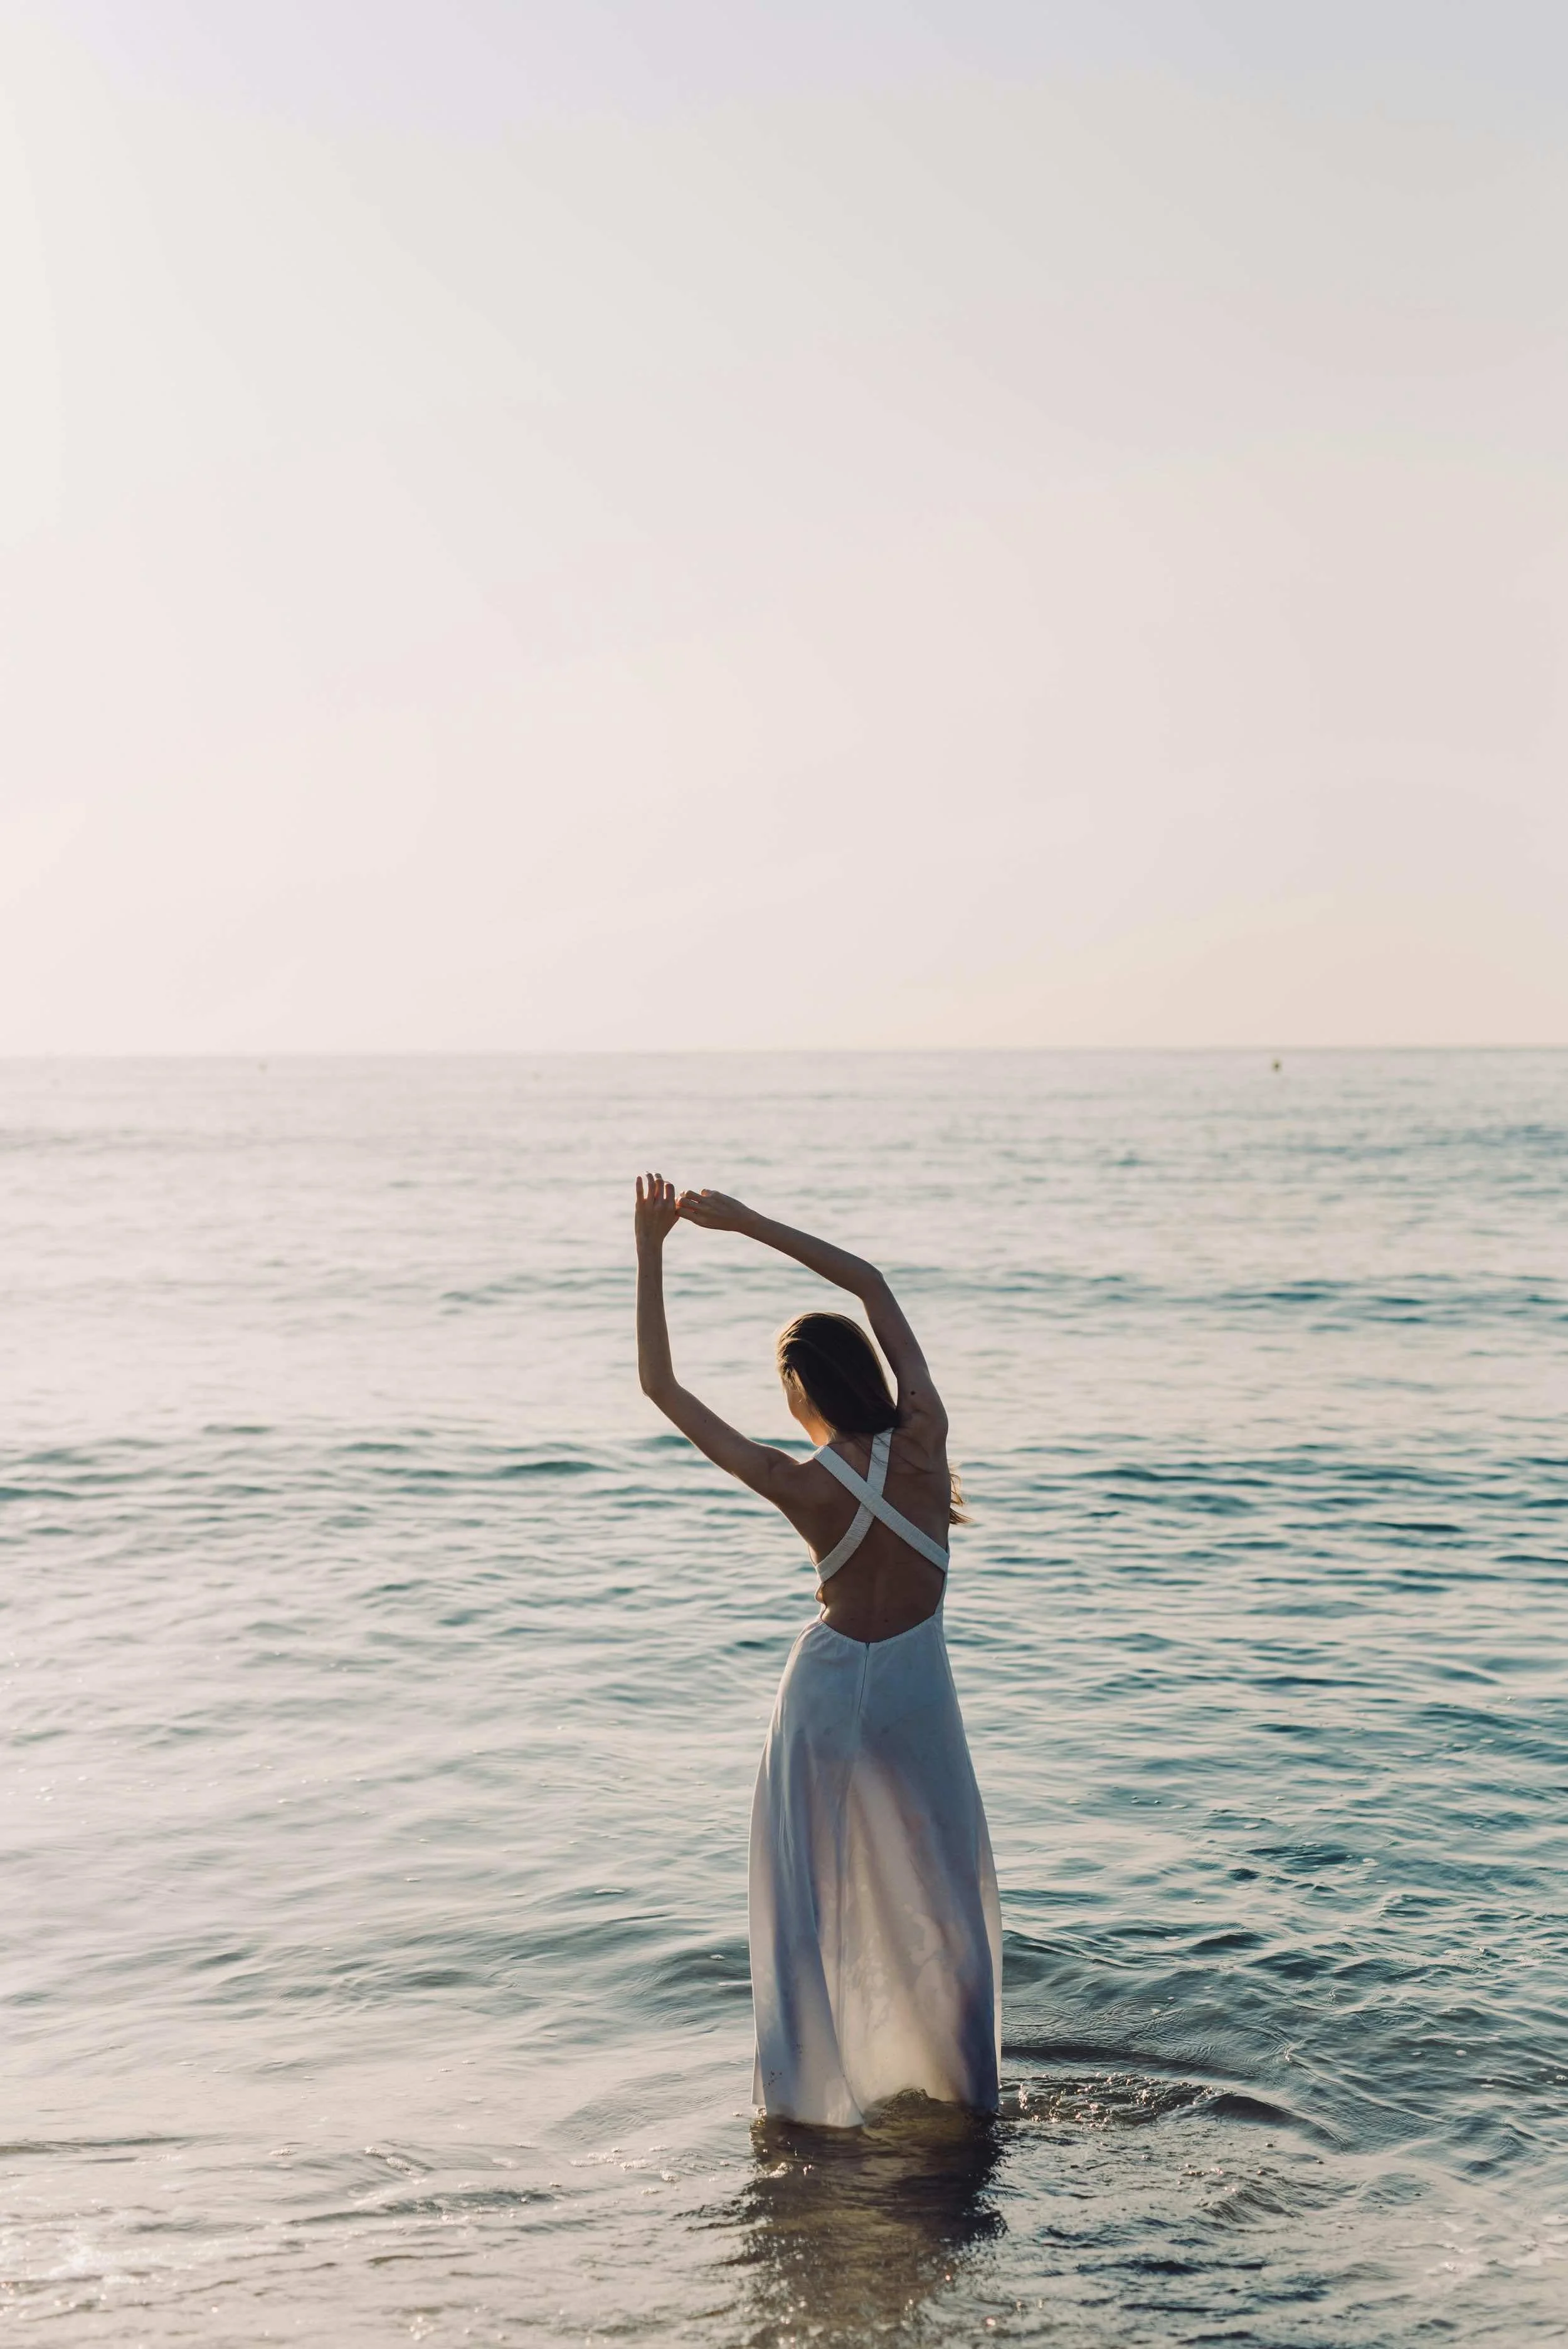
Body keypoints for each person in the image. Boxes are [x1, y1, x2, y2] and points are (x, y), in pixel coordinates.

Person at [633, 1172, 1000, 2128]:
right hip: (917, 1691)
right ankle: (963, 2094)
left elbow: (660, 1388)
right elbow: (871, 1285)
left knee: (810, 1900)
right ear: (867, 1376)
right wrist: (747, 1224)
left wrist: (652, 1249)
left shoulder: (796, 1482)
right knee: (945, 1898)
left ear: (798, 1389)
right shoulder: (925, 1440)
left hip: (827, 1691)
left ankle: (807, 2109)